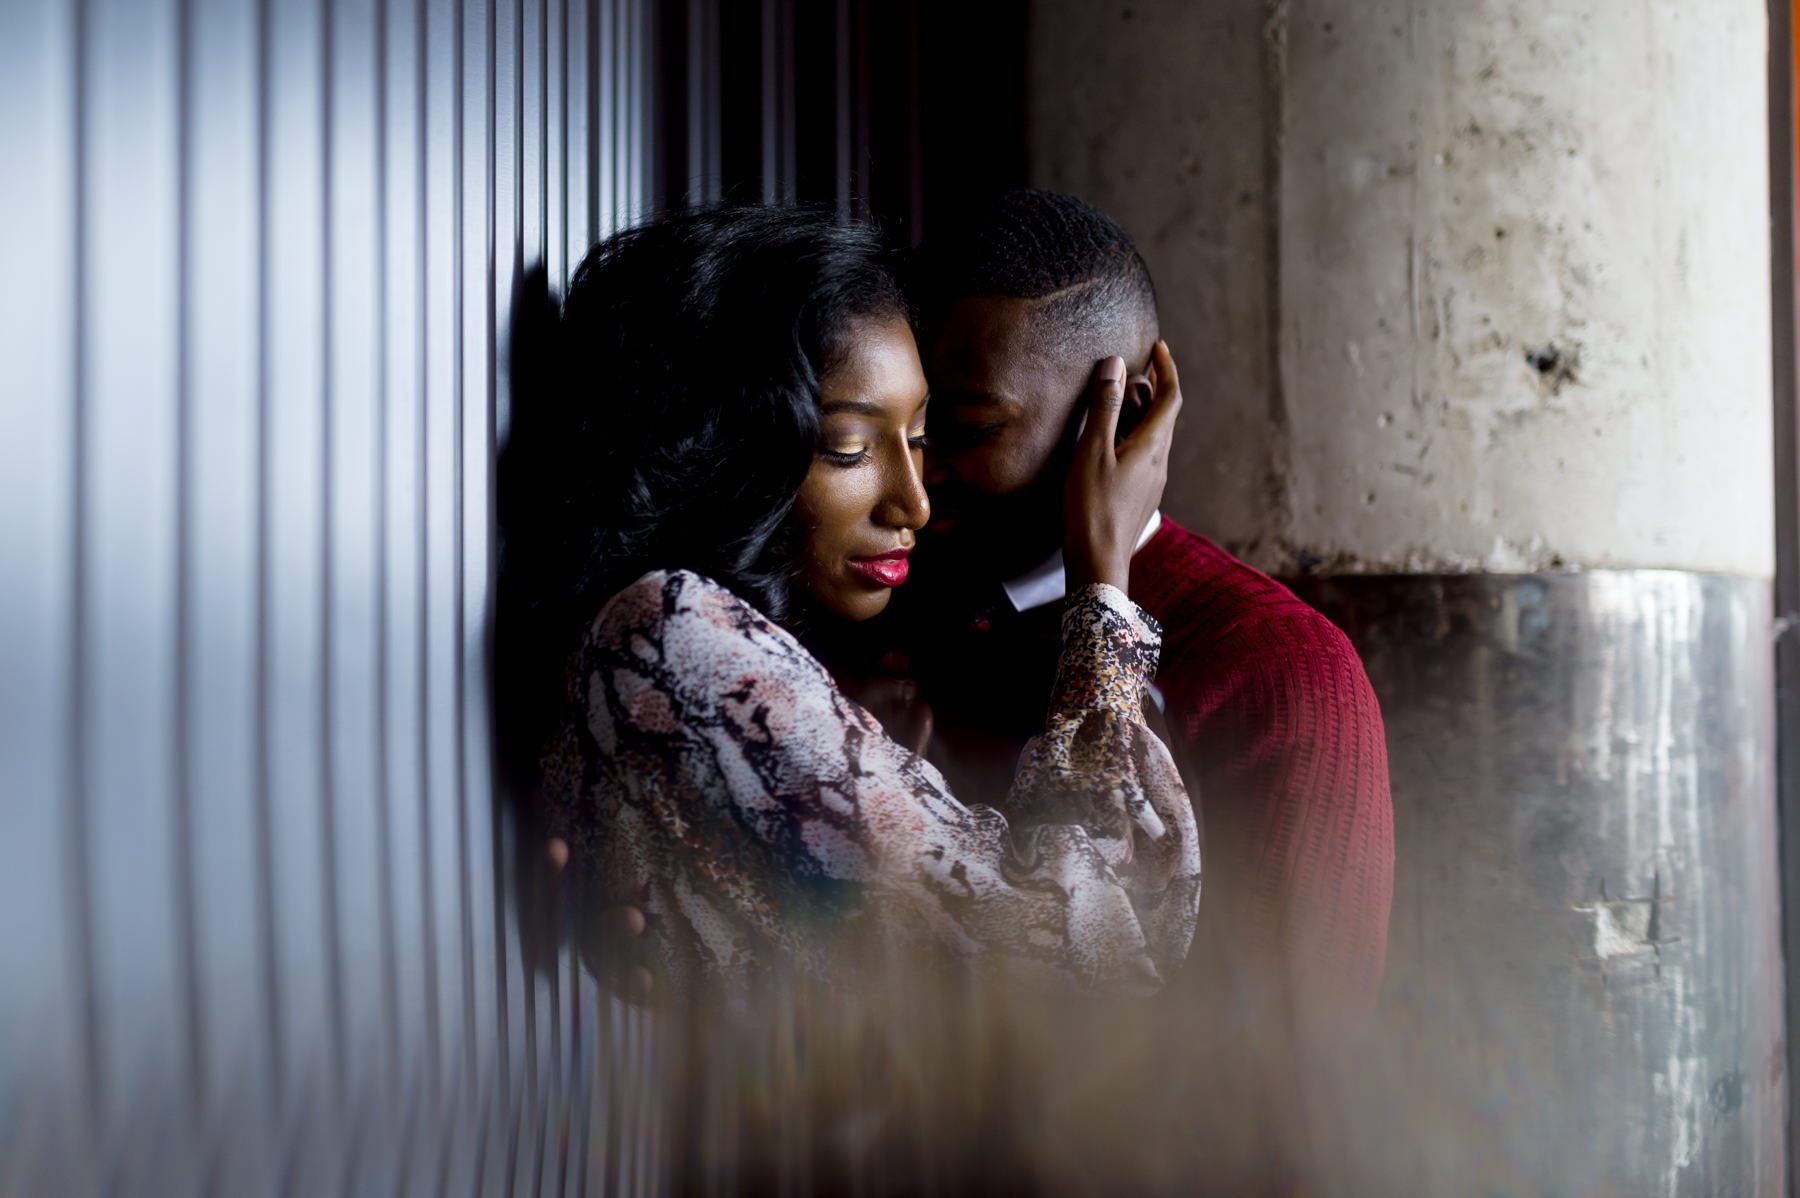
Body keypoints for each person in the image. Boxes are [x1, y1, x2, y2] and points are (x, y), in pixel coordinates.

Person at [494, 206, 1200, 997]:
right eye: (850, 449)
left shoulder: (710, 651)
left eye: (923, 438)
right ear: (727, 443)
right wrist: (1101, 586)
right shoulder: (670, 630)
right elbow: (1101, 951)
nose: (915, 504)